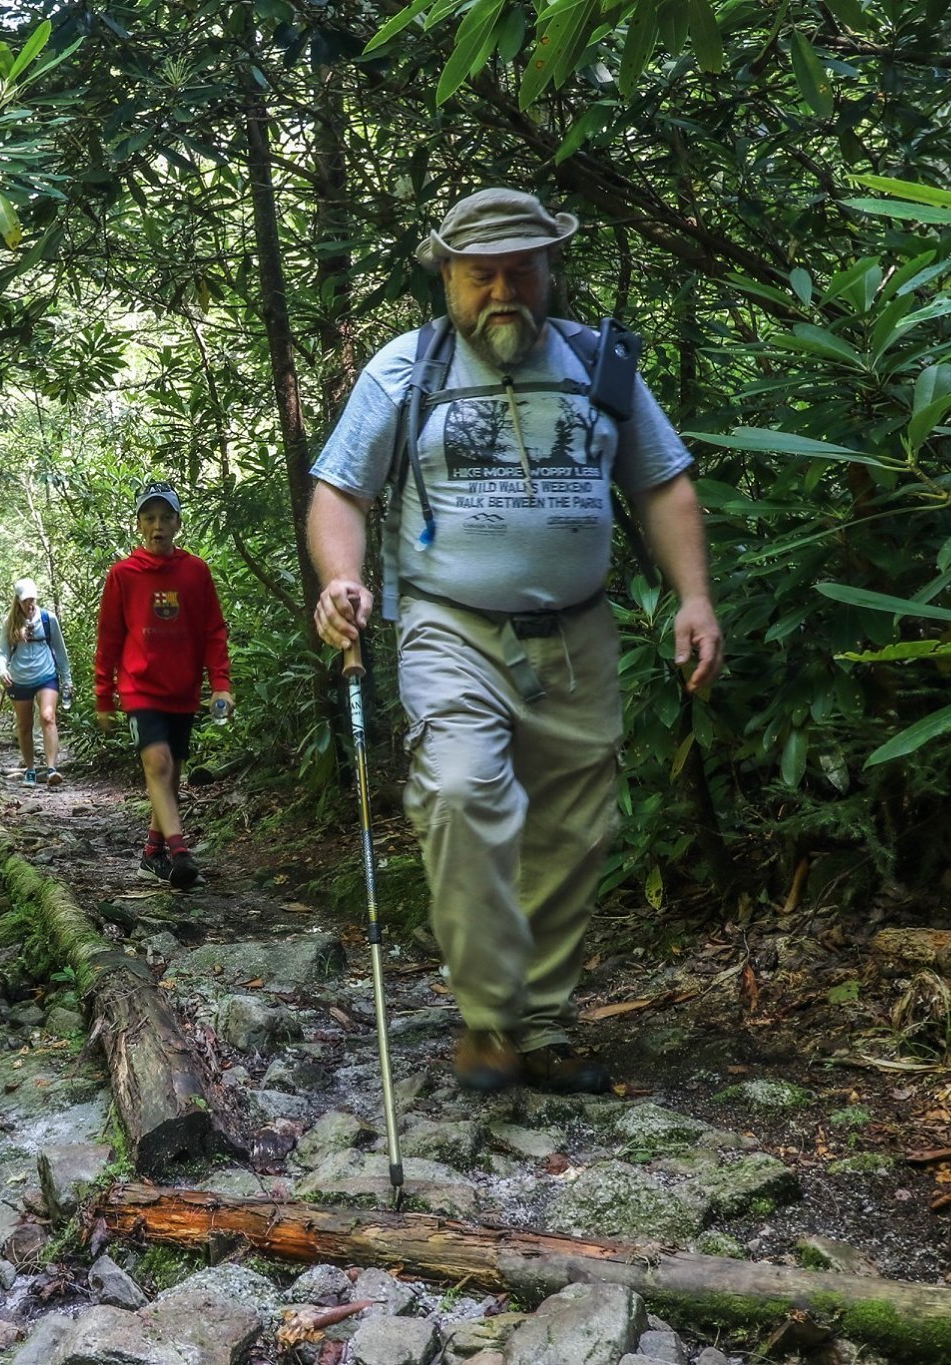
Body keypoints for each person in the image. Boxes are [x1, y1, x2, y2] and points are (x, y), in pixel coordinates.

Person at [306, 188, 723, 1096]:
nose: (503, 289)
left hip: (579, 632)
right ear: (447, 277)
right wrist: (343, 581)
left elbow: (663, 483)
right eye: (481, 272)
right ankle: (490, 1016)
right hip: (450, 625)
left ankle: (540, 1023)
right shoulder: (405, 370)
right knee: (461, 792)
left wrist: (694, 597)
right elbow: (341, 492)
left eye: (520, 269)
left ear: (549, 270)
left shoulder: (600, 364)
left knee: (573, 831)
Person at [94, 479, 233, 890]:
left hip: (182, 689)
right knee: (157, 764)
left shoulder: (195, 571)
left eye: (166, 517)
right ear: (138, 524)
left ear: (177, 523)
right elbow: (110, 639)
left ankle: (152, 853)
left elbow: (213, 631)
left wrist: (220, 684)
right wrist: (104, 696)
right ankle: (179, 851)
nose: (158, 525)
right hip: (140, 688)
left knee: (170, 774)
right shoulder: (123, 575)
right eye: (150, 518)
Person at [0, 578, 72, 786]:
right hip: (19, 679)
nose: (30, 604)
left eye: (33, 599)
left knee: (48, 717)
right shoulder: (10, 623)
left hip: (46, 675)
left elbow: (60, 650)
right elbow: (3, 652)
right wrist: (2, 669)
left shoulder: (48, 619)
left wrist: (66, 679)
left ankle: (51, 769)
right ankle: (30, 769)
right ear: (18, 601)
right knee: (24, 725)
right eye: (25, 601)